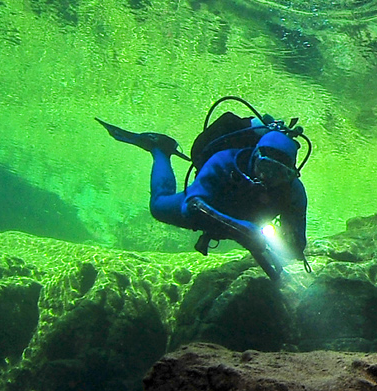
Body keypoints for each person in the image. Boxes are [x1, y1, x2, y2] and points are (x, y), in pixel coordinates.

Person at [99, 114, 307, 281]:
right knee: (158, 205)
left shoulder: (294, 191)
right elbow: (191, 206)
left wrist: (288, 243)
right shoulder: (225, 162)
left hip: (240, 223)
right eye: (264, 167)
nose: (266, 178)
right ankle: (159, 149)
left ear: (291, 173)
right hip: (210, 207)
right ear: (254, 156)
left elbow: (294, 246)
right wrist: (242, 230)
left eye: (278, 173)